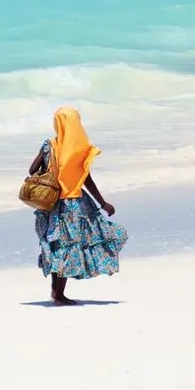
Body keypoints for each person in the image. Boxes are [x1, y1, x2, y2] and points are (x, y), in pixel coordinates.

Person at [29, 106, 128, 305]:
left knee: (57, 245)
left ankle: (56, 292)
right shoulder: (79, 150)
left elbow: (32, 170)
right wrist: (103, 203)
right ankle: (58, 294)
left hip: (51, 204)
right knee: (69, 246)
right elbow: (86, 180)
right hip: (74, 205)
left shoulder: (49, 145)